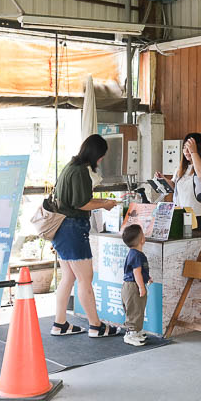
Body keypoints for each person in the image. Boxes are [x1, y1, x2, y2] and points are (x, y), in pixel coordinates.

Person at [50, 134, 123, 338]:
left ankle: (60, 323)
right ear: (95, 154)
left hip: (61, 229)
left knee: (69, 277)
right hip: (73, 229)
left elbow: (77, 198)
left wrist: (101, 201)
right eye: (101, 156)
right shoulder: (81, 171)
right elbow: (81, 203)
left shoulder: (69, 167)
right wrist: (105, 204)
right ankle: (96, 326)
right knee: (85, 279)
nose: (101, 160)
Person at [167, 133, 201, 231]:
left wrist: (194, 153)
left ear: (198, 148)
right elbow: (174, 187)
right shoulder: (182, 167)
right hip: (183, 213)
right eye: (184, 148)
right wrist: (162, 180)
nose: (186, 152)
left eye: (189, 148)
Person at [121, 224, 152, 346]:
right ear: (142, 240)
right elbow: (136, 272)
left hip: (132, 285)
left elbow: (140, 272)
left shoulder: (135, 254)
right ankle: (131, 333)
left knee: (138, 309)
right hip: (133, 286)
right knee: (134, 310)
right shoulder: (136, 255)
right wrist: (141, 287)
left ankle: (137, 330)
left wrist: (147, 278)